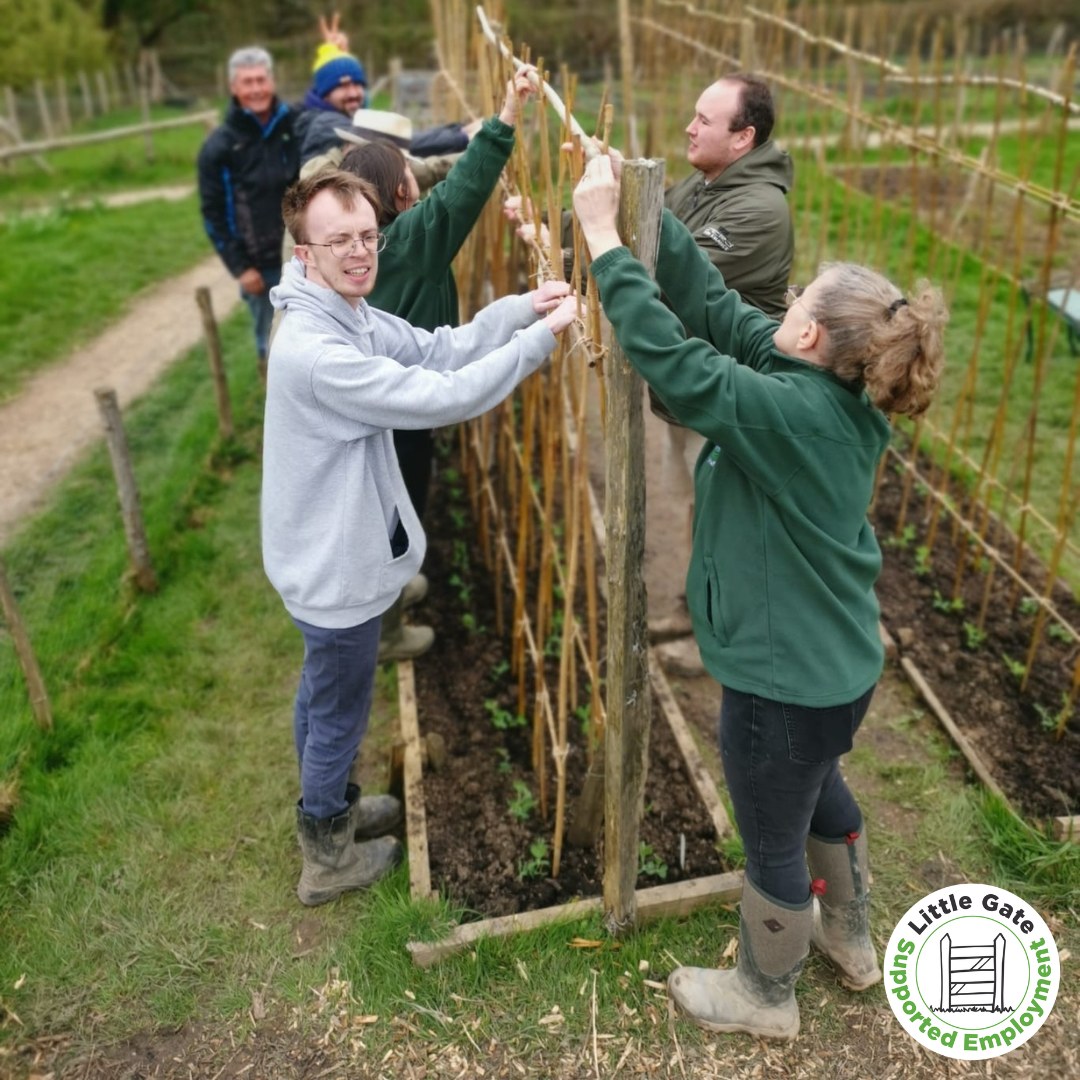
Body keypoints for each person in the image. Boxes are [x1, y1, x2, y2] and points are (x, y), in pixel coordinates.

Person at [571, 153, 946, 1039]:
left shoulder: (787, 411)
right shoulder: (831, 392)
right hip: (833, 668)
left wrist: (598, 241)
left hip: (782, 683)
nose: (784, 309)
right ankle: (852, 943)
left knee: (773, 832)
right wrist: (646, 215)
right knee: (821, 795)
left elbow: (675, 358)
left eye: (799, 303)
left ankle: (764, 996)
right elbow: (728, 318)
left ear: (812, 336)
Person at [264, 168, 578, 906]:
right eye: (337, 240)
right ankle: (327, 853)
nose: (360, 251)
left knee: (323, 693)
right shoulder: (319, 351)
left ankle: (328, 805)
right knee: (338, 706)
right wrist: (541, 342)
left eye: (368, 235)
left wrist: (519, 309)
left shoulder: (350, 313)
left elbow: (439, 349)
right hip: (331, 566)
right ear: (304, 251)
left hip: (322, 550)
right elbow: (447, 395)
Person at [337, 67, 538, 663]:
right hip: (402, 406)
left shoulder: (360, 245)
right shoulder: (408, 242)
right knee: (396, 508)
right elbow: (465, 189)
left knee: (381, 500)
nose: (418, 181)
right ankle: (388, 629)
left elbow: (445, 181)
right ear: (399, 196)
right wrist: (506, 115)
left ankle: (395, 590)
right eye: (409, 176)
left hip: (373, 399)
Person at [197, 46, 299, 379]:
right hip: (260, 268)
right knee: (271, 342)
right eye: (247, 82)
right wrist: (240, 268)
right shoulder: (220, 147)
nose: (256, 89)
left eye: (261, 79)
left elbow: (338, 114)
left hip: (303, 255)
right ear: (234, 88)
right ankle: (274, 403)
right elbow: (214, 214)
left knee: (312, 335)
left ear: (271, 81)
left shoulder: (293, 126)